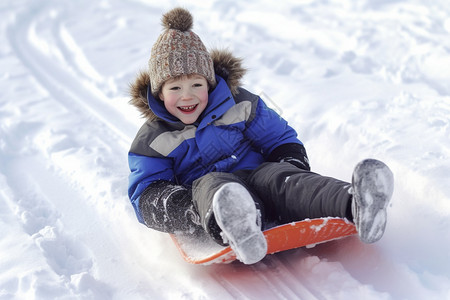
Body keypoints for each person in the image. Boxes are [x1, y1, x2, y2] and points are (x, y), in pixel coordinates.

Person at [127, 7, 394, 264]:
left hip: (259, 176)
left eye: (197, 84)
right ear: (159, 94)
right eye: (175, 87)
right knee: (213, 184)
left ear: (209, 84)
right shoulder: (152, 140)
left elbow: (279, 138)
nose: (188, 95)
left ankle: (355, 204)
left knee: (285, 180)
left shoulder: (240, 103)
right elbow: (147, 194)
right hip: (207, 199)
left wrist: (292, 167)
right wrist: (186, 210)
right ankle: (238, 227)